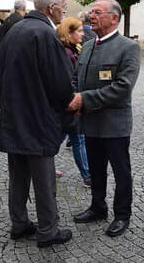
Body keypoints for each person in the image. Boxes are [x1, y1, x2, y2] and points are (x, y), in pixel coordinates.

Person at [0, 0, 74, 248]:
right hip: (37, 118)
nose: (65, 11)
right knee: (43, 179)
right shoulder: (44, 33)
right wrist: (68, 104)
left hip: (13, 116)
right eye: (64, 6)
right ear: (52, 8)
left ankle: (19, 224)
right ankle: (47, 230)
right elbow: (60, 82)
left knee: (18, 175)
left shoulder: (14, 29)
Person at [69, 0, 140, 238]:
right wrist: (75, 97)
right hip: (90, 122)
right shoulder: (88, 46)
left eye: (97, 12)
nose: (92, 16)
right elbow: (77, 77)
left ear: (114, 18)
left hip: (115, 124)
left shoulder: (127, 47)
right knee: (96, 170)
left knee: (121, 172)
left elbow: (122, 87)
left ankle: (122, 215)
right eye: (91, 12)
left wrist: (84, 99)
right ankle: (98, 207)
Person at [56, 17, 91, 187]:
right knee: (78, 139)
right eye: (79, 31)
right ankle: (87, 175)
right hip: (70, 105)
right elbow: (70, 80)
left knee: (60, 137)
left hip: (69, 104)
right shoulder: (67, 53)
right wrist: (75, 102)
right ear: (69, 33)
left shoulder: (72, 50)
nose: (83, 34)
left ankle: (46, 166)